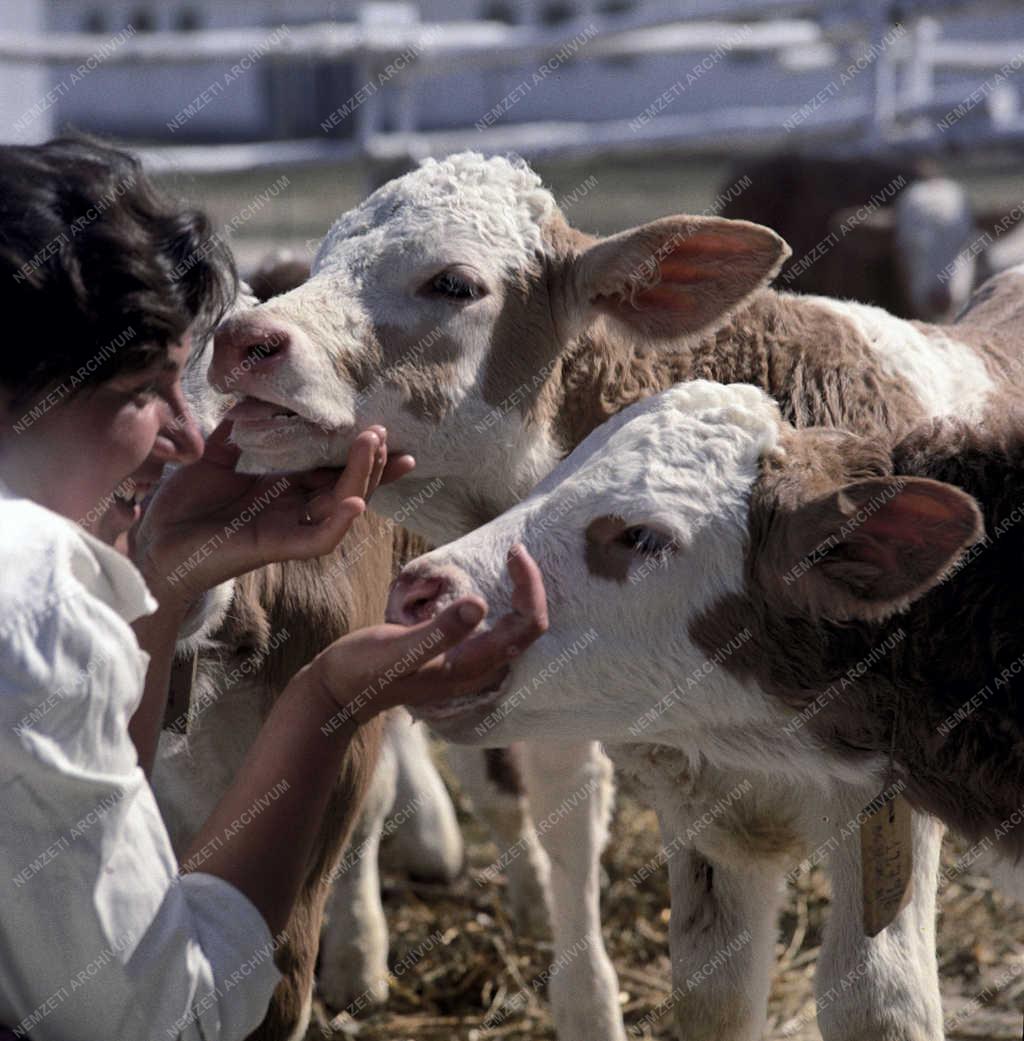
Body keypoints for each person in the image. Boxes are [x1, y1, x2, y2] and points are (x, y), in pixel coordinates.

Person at [0, 136, 548, 1041]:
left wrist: (167, 572)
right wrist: (329, 702)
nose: (185, 436)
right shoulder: (38, 600)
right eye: (142, 390)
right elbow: (165, 1016)